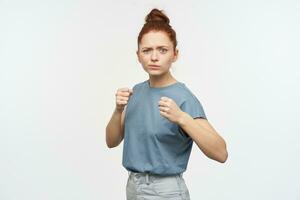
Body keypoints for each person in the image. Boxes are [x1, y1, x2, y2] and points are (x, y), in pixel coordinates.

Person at [106, 8, 228, 200]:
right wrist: (118, 110)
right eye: (147, 50)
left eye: (162, 50)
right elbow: (111, 142)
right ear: (138, 55)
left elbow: (221, 153)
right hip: (133, 186)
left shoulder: (183, 97)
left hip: (166, 191)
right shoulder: (135, 92)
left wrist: (182, 118)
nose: (154, 57)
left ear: (175, 54)